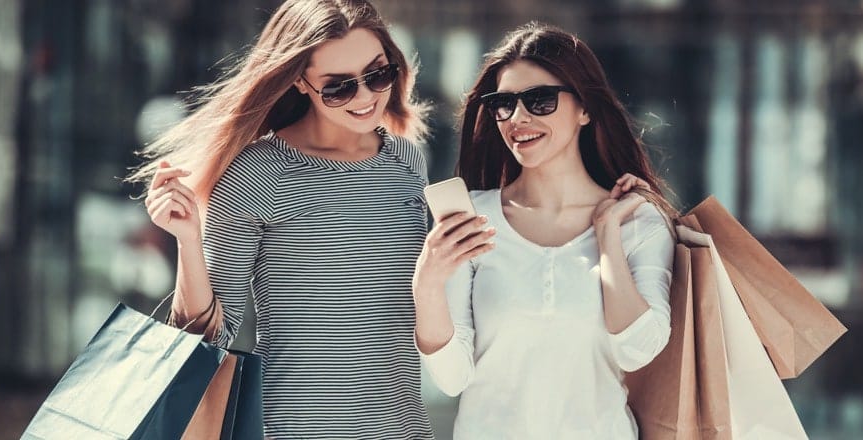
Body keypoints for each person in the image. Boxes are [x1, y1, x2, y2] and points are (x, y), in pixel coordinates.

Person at [127, 1, 435, 438]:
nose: (366, 97)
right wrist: (187, 241)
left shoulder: (406, 161)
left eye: (377, 74)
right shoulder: (260, 174)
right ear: (300, 81)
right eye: (339, 87)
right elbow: (211, 334)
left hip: (402, 428)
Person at [412, 22, 678, 439]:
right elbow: (452, 378)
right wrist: (427, 287)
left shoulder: (638, 222)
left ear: (585, 109)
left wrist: (607, 235)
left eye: (540, 100)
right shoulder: (473, 219)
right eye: (504, 104)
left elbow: (637, 349)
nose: (518, 118)